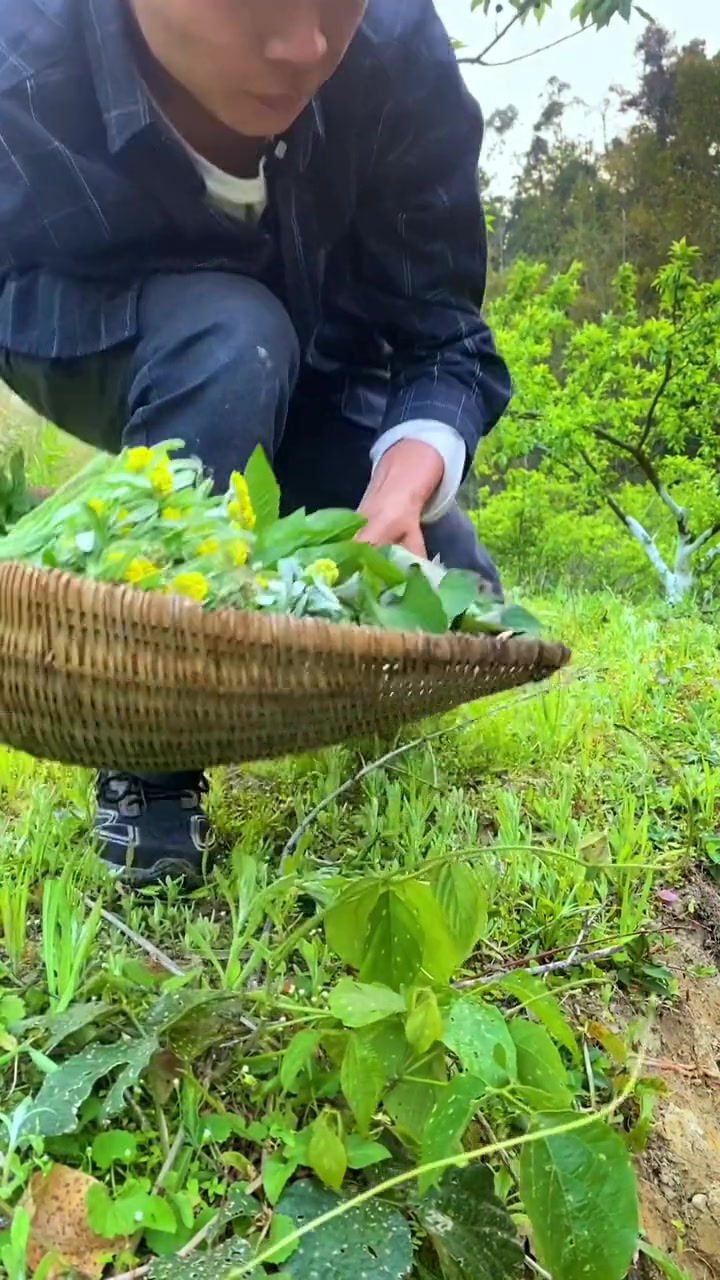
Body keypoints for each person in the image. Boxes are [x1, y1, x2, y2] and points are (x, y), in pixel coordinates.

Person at [0, 0, 512, 885]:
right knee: (233, 334)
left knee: (455, 579)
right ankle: (150, 755)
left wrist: (402, 479)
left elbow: (445, 335)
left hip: (310, 365)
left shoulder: (394, 55)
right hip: (73, 317)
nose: (304, 46)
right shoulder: (24, 55)